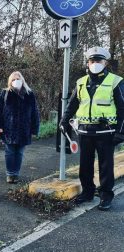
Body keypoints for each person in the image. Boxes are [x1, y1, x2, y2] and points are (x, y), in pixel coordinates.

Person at [59, 46, 124, 211]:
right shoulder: (81, 82)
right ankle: (87, 193)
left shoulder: (116, 81)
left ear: (105, 62)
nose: (95, 63)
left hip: (106, 132)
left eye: (98, 61)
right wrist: (64, 121)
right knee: (85, 165)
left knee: (105, 166)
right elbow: (72, 104)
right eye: (92, 61)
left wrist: (120, 132)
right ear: (88, 63)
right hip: (85, 132)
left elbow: (123, 108)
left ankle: (105, 196)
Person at [0, 71, 40, 184]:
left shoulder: (29, 94)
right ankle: (10, 174)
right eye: (13, 79)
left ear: (22, 80)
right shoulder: (5, 93)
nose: (16, 81)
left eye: (18, 78)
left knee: (19, 152)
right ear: (10, 81)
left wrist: (34, 128)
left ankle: (16, 173)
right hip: (8, 128)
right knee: (9, 152)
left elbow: (35, 112)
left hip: (24, 128)